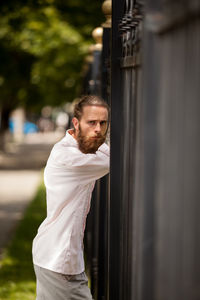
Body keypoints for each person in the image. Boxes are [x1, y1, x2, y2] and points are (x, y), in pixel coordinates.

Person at [32, 95, 110, 300]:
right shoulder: (69, 157)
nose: (98, 129)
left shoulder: (77, 150)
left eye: (103, 123)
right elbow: (111, 159)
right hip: (58, 260)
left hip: (56, 256)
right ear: (75, 123)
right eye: (91, 122)